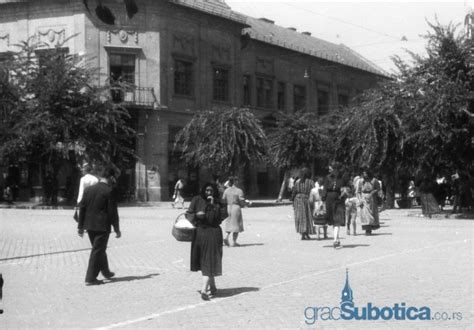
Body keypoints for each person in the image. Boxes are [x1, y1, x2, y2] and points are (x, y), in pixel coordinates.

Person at [78, 165, 121, 285]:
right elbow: (113, 212)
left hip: (90, 225)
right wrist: (117, 229)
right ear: (111, 177)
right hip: (102, 226)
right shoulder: (109, 191)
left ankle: (105, 271)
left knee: (99, 249)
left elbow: (82, 209)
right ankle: (90, 277)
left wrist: (80, 227)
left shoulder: (89, 190)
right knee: (98, 250)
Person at [187, 183, 227, 301]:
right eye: (207, 190)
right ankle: (213, 286)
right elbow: (189, 213)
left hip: (213, 233)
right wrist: (196, 216)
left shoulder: (218, 203)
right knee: (204, 259)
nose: (209, 193)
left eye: (211, 191)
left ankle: (204, 289)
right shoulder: (196, 199)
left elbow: (219, 217)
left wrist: (213, 205)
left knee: (209, 259)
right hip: (200, 233)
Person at [322, 164, 348, 247]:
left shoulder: (327, 178)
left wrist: (322, 200)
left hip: (329, 199)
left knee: (334, 221)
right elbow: (346, 190)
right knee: (337, 220)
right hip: (339, 199)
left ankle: (336, 239)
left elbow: (324, 190)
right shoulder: (342, 178)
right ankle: (336, 239)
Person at [222, 177, 249, 247]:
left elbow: (223, 199)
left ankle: (226, 237)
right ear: (235, 182)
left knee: (229, 223)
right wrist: (247, 203)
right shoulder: (239, 191)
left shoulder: (226, 190)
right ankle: (234, 242)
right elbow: (241, 200)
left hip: (228, 207)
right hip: (236, 207)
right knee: (236, 225)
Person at [291, 168, 315, 240]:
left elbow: (294, 192)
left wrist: (293, 201)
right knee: (308, 216)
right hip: (307, 200)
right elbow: (314, 191)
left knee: (300, 217)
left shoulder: (297, 182)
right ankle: (307, 233)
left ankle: (302, 233)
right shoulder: (311, 182)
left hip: (298, 200)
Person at [356, 168, 380, 235]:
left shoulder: (374, 180)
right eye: (363, 173)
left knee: (371, 213)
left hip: (371, 198)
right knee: (365, 214)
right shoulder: (361, 181)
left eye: (365, 173)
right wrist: (360, 200)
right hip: (364, 198)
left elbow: (378, 188)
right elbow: (358, 191)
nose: (364, 175)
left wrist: (372, 193)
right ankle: (367, 229)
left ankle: (370, 228)